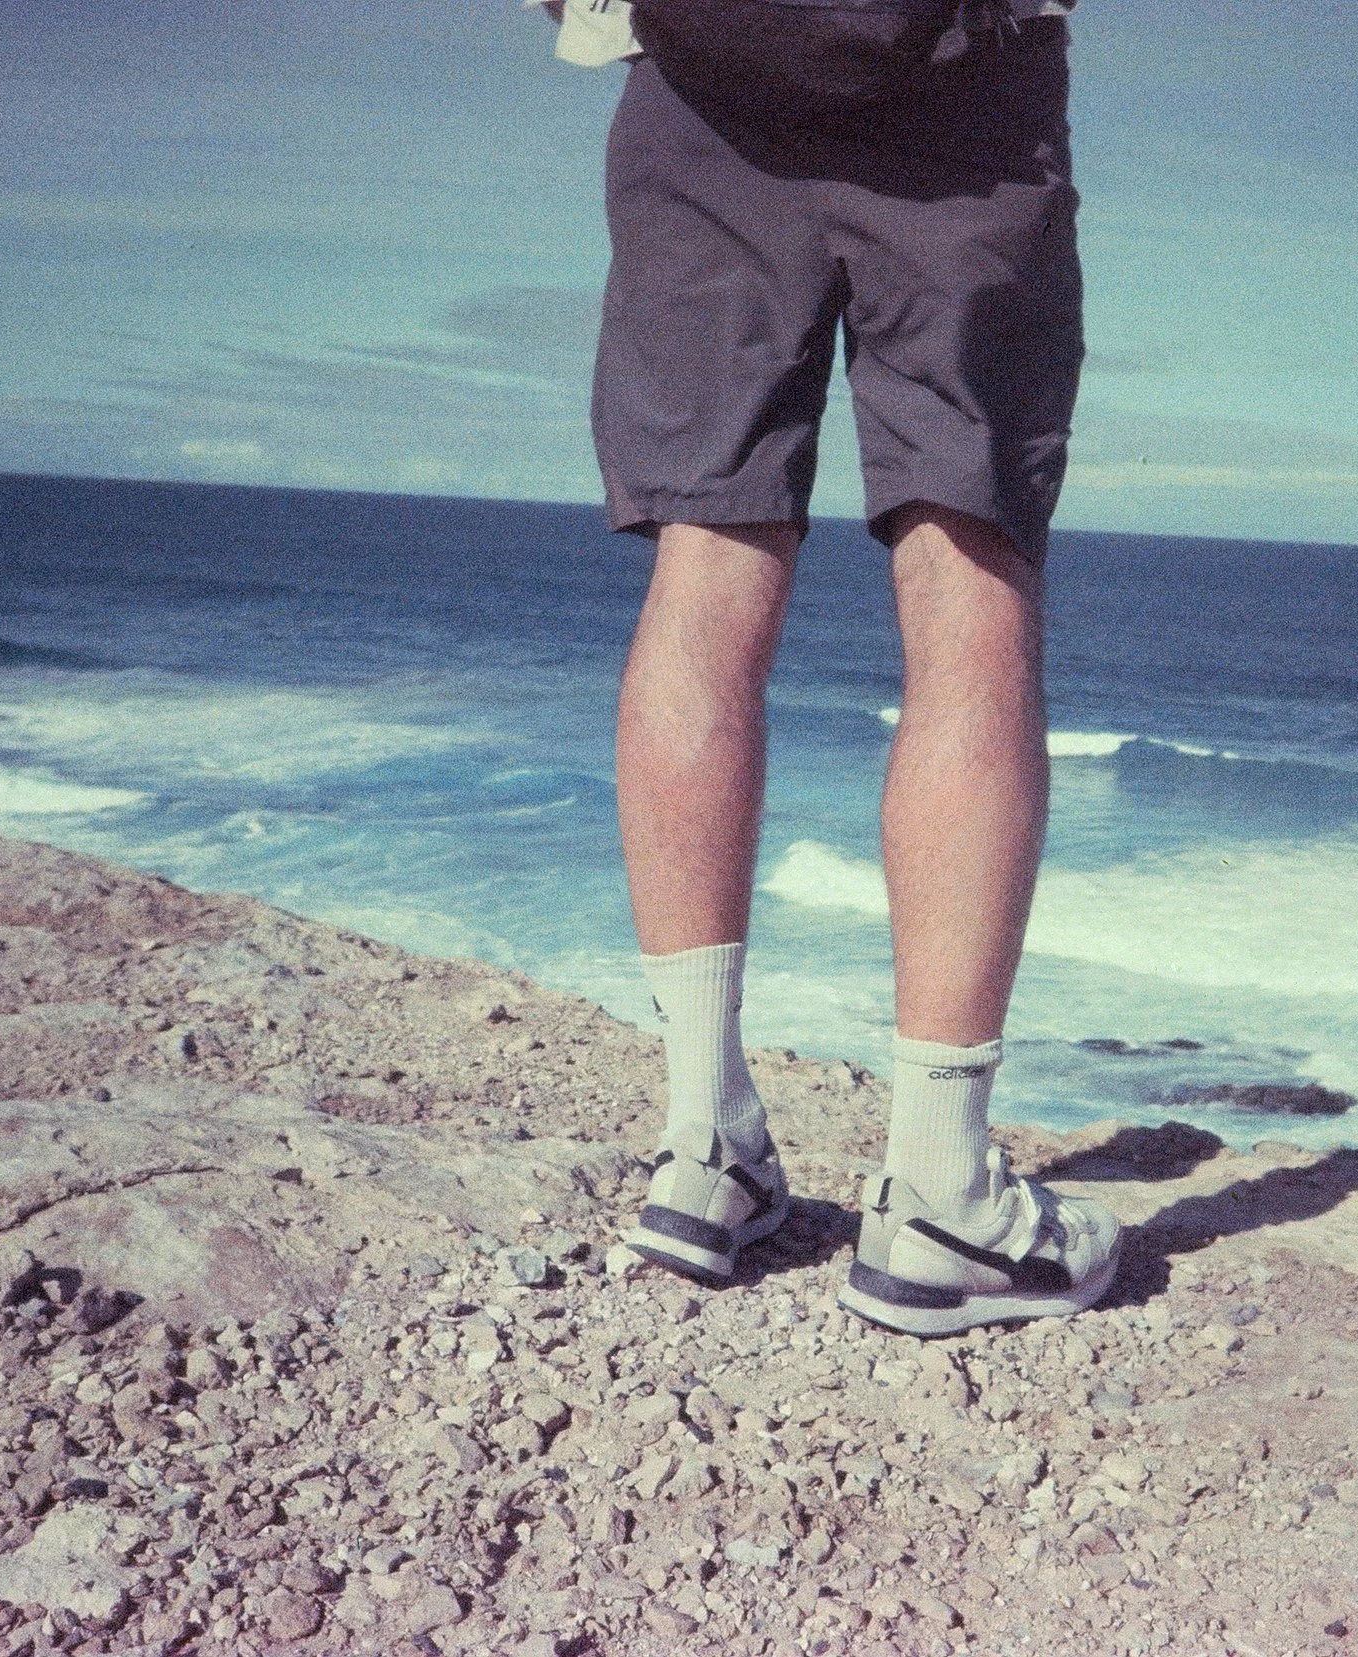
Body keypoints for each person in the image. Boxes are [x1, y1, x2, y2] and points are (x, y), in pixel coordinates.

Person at [535, 0, 1119, 1334]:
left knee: (706, 570)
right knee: (968, 584)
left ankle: (702, 1147)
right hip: (965, 92)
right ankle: (938, 1192)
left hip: (702, 91)